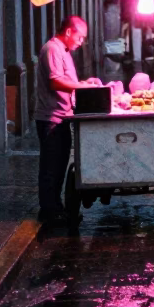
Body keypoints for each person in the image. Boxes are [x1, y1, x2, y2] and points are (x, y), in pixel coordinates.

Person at [35, 15, 100, 224]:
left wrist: (83, 82)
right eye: (80, 38)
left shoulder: (64, 51)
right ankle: (49, 211)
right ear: (69, 32)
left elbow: (67, 81)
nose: (81, 43)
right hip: (51, 118)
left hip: (63, 116)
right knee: (51, 167)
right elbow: (56, 82)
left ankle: (56, 209)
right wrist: (85, 87)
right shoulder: (52, 49)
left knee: (60, 165)